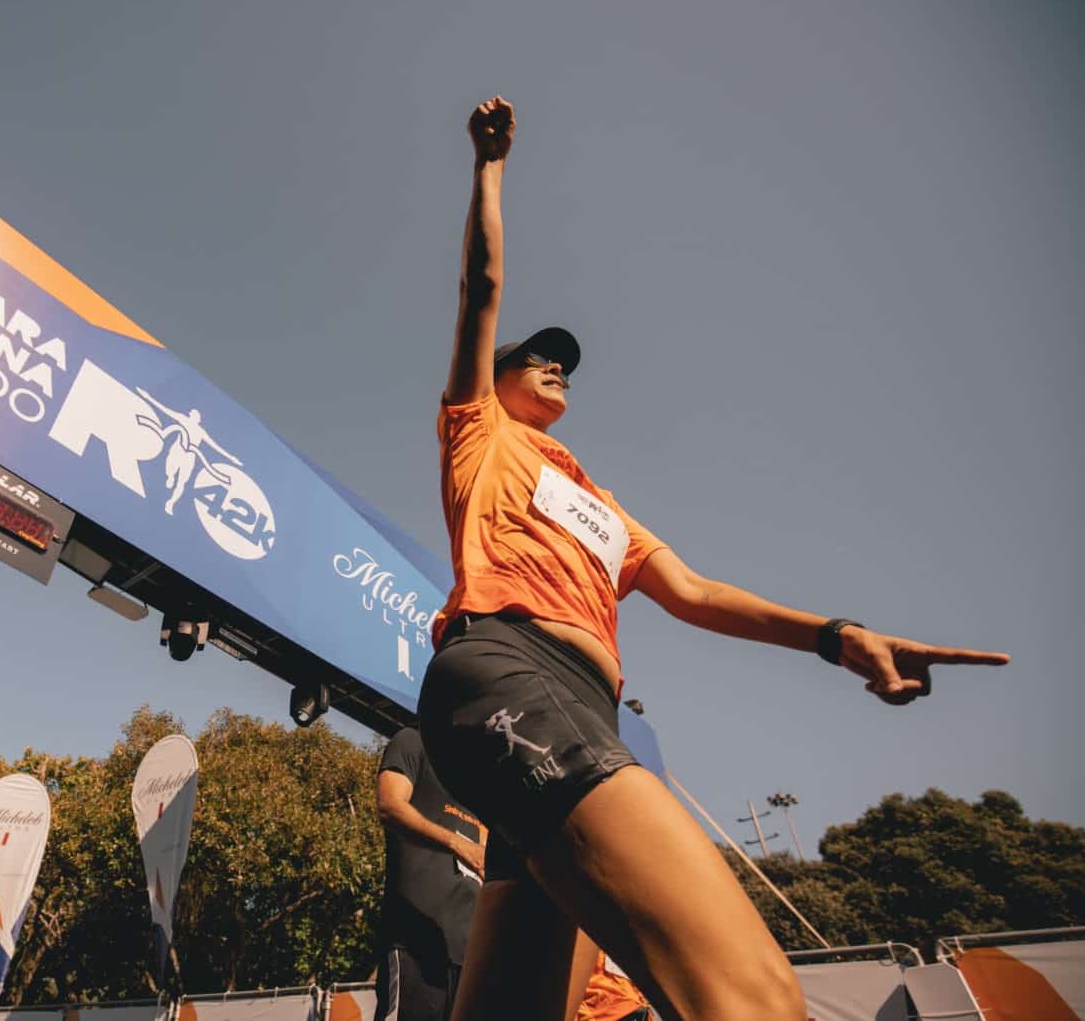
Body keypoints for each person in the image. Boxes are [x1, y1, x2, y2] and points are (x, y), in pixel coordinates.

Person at [416, 96, 1010, 1021]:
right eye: (536, 356)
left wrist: (838, 636)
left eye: (564, 360)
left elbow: (694, 592)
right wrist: (490, 167)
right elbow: (481, 291)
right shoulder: (477, 431)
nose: (555, 365)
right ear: (492, 378)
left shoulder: (606, 508)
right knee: (757, 998)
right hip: (508, 675)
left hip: (584, 708)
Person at [374, 727, 486, 1021]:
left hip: (469, 958)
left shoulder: (480, 785)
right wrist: (456, 843)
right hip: (414, 944)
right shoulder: (413, 741)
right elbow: (389, 805)